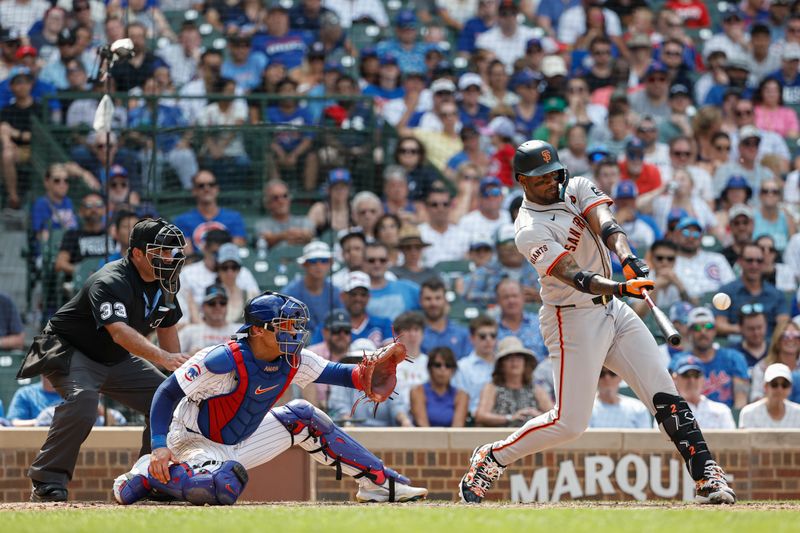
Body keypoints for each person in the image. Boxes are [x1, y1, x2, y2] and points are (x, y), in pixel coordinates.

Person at [458, 140, 735, 505]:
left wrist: (629, 259)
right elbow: (573, 275)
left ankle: (706, 476)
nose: (552, 180)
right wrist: (622, 285)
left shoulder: (575, 186)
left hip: (612, 310)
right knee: (569, 424)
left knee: (664, 393)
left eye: (554, 172)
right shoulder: (528, 228)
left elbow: (607, 224)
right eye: (541, 177)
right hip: (571, 318)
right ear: (523, 180)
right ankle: (491, 457)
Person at [112, 292, 427, 505]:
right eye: (286, 326)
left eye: (296, 326)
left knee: (304, 415)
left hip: (241, 441)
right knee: (223, 486)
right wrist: (158, 447)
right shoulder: (221, 359)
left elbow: (344, 374)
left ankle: (380, 484)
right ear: (259, 330)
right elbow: (167, 393)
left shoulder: (293, 359)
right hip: (194, 442)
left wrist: (367, 376)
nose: (295, 333)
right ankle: (146, 475)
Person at [20, 219, 190, 502]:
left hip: (112, 357)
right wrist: (163, 356)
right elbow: (119, 332)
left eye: (172, 250)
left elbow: (166, 323)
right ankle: (46, 481)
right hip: (66, 347)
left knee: (168, 401)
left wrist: (178, 375)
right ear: (137, 253)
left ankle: (148, 478)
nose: (169, 257)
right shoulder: (110, 279)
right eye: (161, 251)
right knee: (84, 402)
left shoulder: (167, 280)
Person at [179, 230, 259, 324]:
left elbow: (256, 307)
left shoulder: (242, 273)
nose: (219, 258)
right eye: (215, 253)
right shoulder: (188, 273)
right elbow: (181, 320)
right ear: (204, 248)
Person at [676, 307, 750, 409]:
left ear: (715, 330)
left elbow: (741, 402)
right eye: (697, 328)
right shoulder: (679, 361)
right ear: (689, 332)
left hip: (726, 419)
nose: (703, 332)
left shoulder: (734, 358)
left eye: (708, 326)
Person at [714, 242, 789, 338]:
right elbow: (719, 325)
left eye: (759, 261)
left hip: (769, 347)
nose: (754, 265)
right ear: (740, 262)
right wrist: (746, 329)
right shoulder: (726, 291)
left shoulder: (776, 294)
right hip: (736, 346)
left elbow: (783, 325)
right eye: (749, 260)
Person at [474, 336, 541, 428]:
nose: (514, 362)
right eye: (509, 358)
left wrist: (538, 416)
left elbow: (554, 415)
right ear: (501, 364)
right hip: (500, 439)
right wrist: (510, 418)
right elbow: (481, 416)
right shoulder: (492, 387)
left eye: (519, 357)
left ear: (525, 362)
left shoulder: (535, 389)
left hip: (532, 439)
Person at [173, 170, 248, 252]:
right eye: (201, 186)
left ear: (217, 189)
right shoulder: (182, 221)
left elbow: (235, 252)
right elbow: (187, 256)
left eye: (211, 184)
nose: (207, 188)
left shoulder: (234, 218)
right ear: (194, 191)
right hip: (196, 264)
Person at [284, 241, 341, 333]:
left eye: (324, 261)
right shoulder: (291, 293)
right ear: (304, 264)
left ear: (330, 263)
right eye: (313, 261)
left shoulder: (335, 292)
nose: (319, 266)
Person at [673, 217, 736, 298]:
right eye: (686, 233)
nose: (691, 237)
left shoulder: (717, 259)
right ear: (675, 235)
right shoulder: (668, 261)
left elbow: (732, 287)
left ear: (701, 237)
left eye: (696, 233)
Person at [670, 355, 736, 429]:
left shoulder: (721, 410)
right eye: (686, 375)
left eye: (696, 375)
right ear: (675, 379)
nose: (692, 380)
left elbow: (731, 439)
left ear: (704, 379)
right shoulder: (668, 412)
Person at [410, 347, 468, 427]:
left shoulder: (461, 395)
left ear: (453, 370)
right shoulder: (417, 391)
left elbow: (457, 428)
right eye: (438, 365)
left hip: (452, 439)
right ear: (430, 368)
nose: (443, 369)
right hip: (423, 438)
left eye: (448, 365)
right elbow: (422, 426)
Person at [306, 309, 352, 410]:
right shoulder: (311, 354)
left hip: (352, 414)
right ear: (325, 332)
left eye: (346, 330)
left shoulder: (357, 354)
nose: (342, 334)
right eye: (336, 330)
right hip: (317, 411)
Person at [178, 285, 243, 356]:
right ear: (203, 307)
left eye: (222, 303)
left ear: (227, 305)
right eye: (212, 303)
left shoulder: (240, 330)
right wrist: (191, 356)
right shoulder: (190, 331)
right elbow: (173, 357)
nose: (218, 307)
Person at [453, 315, 499, 415]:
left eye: (493, 335)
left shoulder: (503, 364)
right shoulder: (462, 367)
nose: (488, 339)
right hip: (472, 422)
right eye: (483, 336)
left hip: (503, 420)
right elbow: (459, 401)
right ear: (472, 339)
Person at [364, 242, 420, 321]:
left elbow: (436, 306)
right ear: (363, 262)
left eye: (382, 260)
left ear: (388, 261)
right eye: (371, 260)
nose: (377, 264)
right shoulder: (357, 294)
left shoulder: (407, 288)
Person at [419, 278, 471, 360]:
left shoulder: (462, 334)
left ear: (445, 301)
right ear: (420, 302)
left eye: (438, 298)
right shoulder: (414, 334)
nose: (433, 303)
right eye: (428, 299)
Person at [495, 278, 547, 361]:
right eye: (506, 297)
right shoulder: (491, 327)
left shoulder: (540, 322)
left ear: (523, 298)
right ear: (498, 300)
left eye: (514, 296)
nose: (511, 301)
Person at [255, 179, 314, 248]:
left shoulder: (303, 221)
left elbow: (309, 235)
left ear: (290, 199)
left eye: (285, 196)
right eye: (275, 198)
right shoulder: (262, 224)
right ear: (267, 203)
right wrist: (284, 235)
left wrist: (300, 235)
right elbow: (266, 239)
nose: (281, 201)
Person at [419, 187, 469, 268]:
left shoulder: (462, 235)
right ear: (426, 207)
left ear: (451, 206)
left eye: (445, 204)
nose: (440, 208)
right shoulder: (418, 234)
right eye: (434, 205)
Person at [739, 363, 800, 428]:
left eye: (785, 385)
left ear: (790, 388)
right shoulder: (749, 413)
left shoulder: (798, 413)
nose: (779, 389)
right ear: (765, 387)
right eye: (774, 384)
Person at [214, 243, 259, 324]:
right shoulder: (210, 296)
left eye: (234, 267)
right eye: (225, 267)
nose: (229, 272)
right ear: (218, 269)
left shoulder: (250, 296)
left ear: (239, 270)